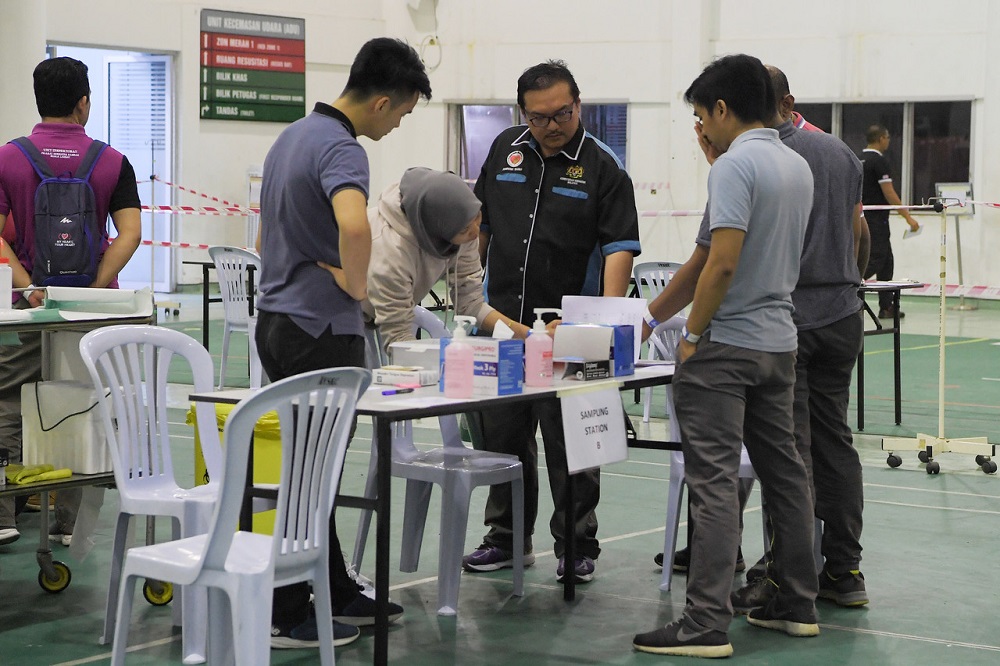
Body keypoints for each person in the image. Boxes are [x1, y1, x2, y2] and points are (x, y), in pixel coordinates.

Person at [632, 54, 818, 658]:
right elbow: (707, 257)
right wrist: (651, 316)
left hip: (727, 348)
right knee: (785, 474)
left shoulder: (736, 168)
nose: (700, 131)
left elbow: (723, 262)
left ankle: (704, 624)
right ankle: (796, 603)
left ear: (720, 108)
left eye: (700, 116)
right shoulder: (795, 164)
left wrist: (690, 337)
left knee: (711, 483)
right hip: (778, 345)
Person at [253, 37, 429, 651]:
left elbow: (265, 230)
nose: (400, 122)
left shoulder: (293, 136)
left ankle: (330, 583)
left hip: (277, 320)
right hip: (319, 331)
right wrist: (357, 286)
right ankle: (284, 606)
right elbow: (354, 223)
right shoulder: (342, 150)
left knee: (312, 469)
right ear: (382, 101)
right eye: (403, 111)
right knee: (311, 473)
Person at [462, 60, 640, 583]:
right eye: (539, 117)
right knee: (502, 440)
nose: (552, 125)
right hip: (502, 328)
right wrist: (469, 292)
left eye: (562, 113)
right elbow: (481, 227)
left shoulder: (604, 167)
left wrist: (603, 324)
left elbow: (619, 249)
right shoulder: (505, 150)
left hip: (572, 335)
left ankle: (577, 543)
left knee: (573, 445)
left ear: (578, 105)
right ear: (524, 113)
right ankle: (507, 538)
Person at [725, 66, 871, 611]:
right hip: (842, 314)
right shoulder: (840, 153)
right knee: (835, 442)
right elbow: (860, 234)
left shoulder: (763, 160)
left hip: (793, 322)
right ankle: (846, 569)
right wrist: (849, 284)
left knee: (789, 453)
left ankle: (789, 575)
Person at [0, 56, 141, 547]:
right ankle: (68, 523)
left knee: (8, 401)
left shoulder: (8, 157)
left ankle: (4, 513)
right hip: (92, 312)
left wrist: (27, 288)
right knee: (84, 403)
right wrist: (95, 286)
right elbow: (130, 234)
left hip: (26, 309)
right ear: (84, 102)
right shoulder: (112, 160)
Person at [363, 166, 529, 354]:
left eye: (477, 217)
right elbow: (398, 340)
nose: (475, 233)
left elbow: (471, 302)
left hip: (379, 313)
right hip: (343, 311)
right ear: (438, 232)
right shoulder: (392, 251)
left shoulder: (461, 226)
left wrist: (529, 335)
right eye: (464, 229)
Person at [861, 124, 919, 318]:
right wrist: (908, 217)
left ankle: (886, 307)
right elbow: (889, 193)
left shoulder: (858, 159)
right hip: (876, 220)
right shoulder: (879, 162)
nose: (888, 141)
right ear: (881, 139)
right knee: (876, 259)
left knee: (887, 262)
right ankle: (849, 288)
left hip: (862, 217)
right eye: (887, 138)